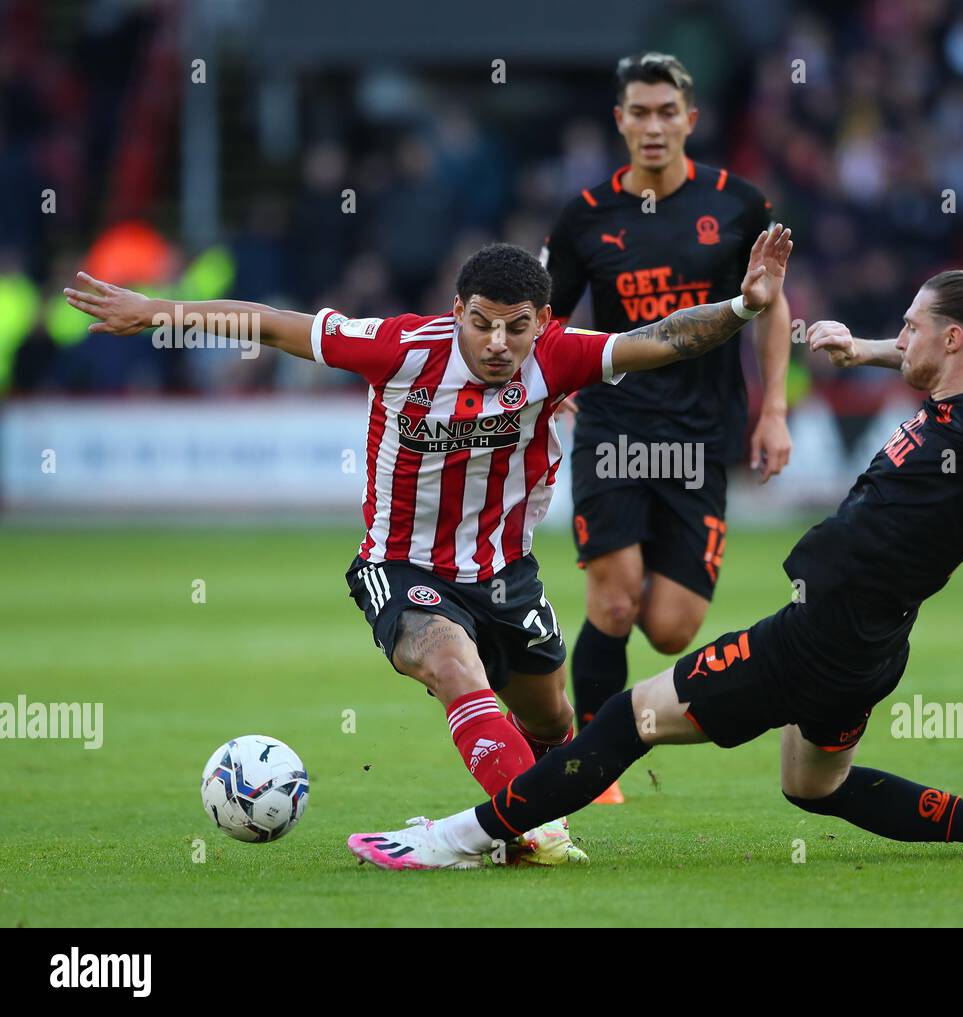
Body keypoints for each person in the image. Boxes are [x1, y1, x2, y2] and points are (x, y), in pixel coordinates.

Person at [340, 268, 963, 871]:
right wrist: (862, 350)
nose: (903, 337)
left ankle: (459, 835)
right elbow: (936, 370)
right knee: (815, 786)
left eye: (912, 326)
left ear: (953, 336)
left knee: (626, 720)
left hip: (812, 637)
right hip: (874, 649)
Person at [62, 223, 792, 867]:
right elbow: (270, 323)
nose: (497, 344)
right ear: (456, 314)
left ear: (542, 321)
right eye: (480, 325)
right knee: (450, 660)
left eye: (515, 327)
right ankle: (535, 831)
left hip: (505, 572)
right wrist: (154, 310)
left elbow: (663, 338)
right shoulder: (399, 348)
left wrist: (743, 307)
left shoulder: (561, 357)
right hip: (399, 563)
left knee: (552, 721)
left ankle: (521, 822)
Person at [541, 53, 792, 802]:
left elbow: (772, 303)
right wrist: (551, 388)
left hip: (700, 436)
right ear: (620, 122)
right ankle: (588, 764)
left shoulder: (739, 203)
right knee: (613, 603)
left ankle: (613, 588)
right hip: (615, 425)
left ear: (690, 119)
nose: (653, 126)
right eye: (638, 113)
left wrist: (773, 407)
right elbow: (549, 317)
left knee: (674, 629)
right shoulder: (586, 214)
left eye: (666, 112)